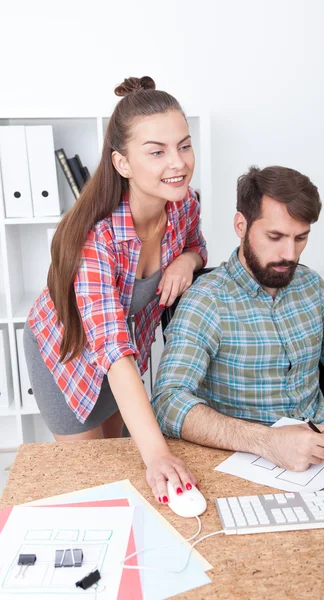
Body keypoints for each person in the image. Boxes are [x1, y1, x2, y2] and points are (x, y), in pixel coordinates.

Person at [24, 76, 207, 503]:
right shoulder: (96, 241)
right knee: (94, 485)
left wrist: (187, 259)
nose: (177, 162)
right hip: (67, 358)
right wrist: (159, 455)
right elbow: (110, 346)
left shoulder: (183, 206)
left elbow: (197, 243)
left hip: (122, 361)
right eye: (156, 152)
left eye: (184, 145)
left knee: (125, 467)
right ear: (122, 163)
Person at [152, 165, 324, 472]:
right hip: (244, 462)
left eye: (301, 238)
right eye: (275, 236)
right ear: (241, 225)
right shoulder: (206, 299)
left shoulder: (311, 286)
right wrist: (268, 441)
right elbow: (168, 402)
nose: (289, 253)